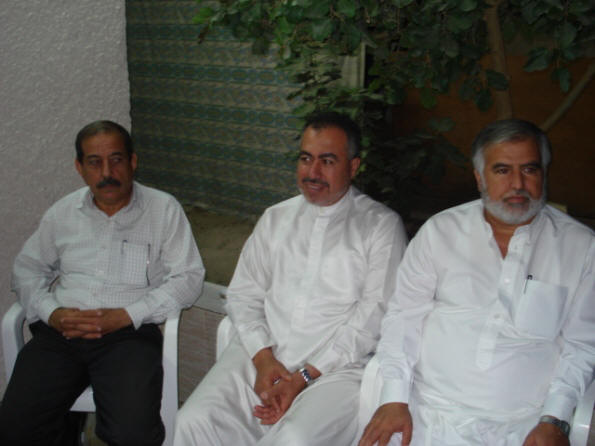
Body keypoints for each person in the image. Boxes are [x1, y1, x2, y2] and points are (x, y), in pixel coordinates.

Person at [174, 112, 408, 446]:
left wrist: (303, 377)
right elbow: (243, 294)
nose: (313, 172)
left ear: (353, 166)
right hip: (263, 355)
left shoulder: (380, 227)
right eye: (306, 159)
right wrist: (263, 358)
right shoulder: (276, 218)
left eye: (327, 161)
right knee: (192, 423)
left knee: (293, 441)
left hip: (334, 371)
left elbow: (372, 319)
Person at [359, 119, 595, 446]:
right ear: (480, 177)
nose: (518, 184)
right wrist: (394, 399)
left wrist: (555, 419)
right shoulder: (440, 231)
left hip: (522, 427)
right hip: (427, 413)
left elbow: (582, 345)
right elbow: (403, 317)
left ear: (544, 173)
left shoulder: (581, 248)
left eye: (529, 169)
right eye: (502, 170)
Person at [0, 120, 205, 446]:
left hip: (128, 336)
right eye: (95, 162)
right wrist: (52, 312)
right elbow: (26, 269)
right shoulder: (63, 213)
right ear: (80, 167)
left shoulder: (163, 209)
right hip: (61, 334)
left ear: (133, 161)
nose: (107, 172)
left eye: (116, 159)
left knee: (132, 434)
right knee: (16, 429)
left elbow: (189, 277)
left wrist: (125, 315)